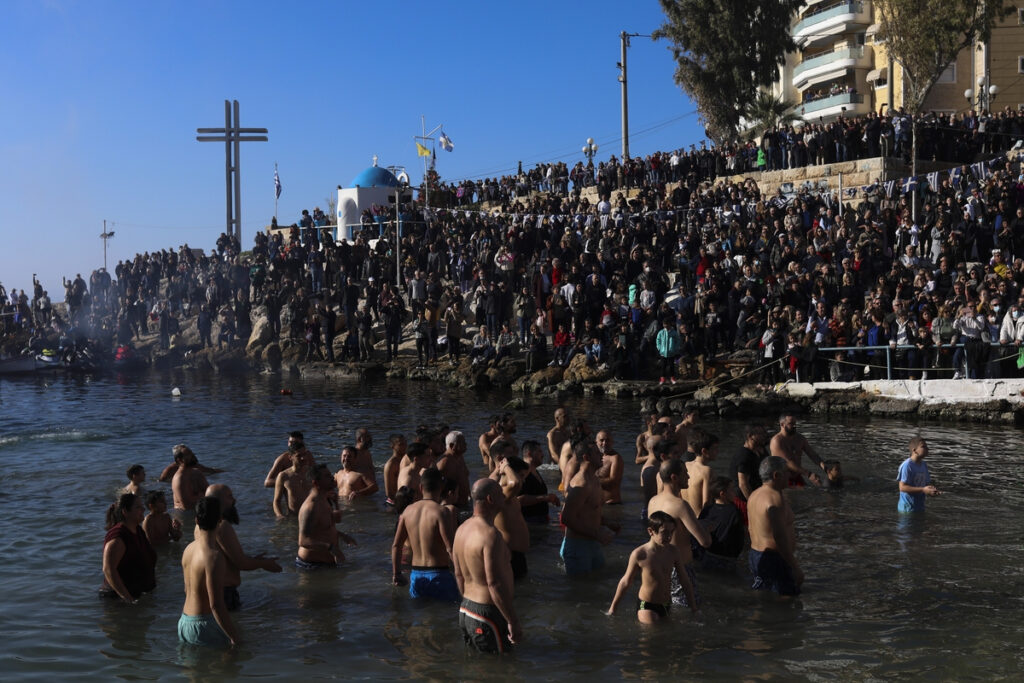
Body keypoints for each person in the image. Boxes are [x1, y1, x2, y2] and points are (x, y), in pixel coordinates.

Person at [453, 479, 521, 654]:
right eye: (501, 493)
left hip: (466, 610)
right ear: (490, 499)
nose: (504, 497)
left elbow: (458, 575)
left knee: (481, 669)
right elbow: (494, 583)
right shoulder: (491, 535)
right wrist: (512, 620)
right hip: (487, 613)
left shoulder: (461, 530)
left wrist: (470, 603)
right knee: (502, 669)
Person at [605, 511, 695, 622]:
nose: (669, 536)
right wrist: (613, 608)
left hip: (666, 604)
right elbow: (626, 581)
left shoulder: (673, 552)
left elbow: (684, 579)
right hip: (647, 606)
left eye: (671, 532)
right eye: (664, 532)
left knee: (665, 637)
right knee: (652, 635)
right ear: (651, 531)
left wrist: (693, 607)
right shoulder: (640, 554)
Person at [206, 484, 282, 611]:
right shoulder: (222, 526)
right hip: (224, 594)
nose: (234, 500)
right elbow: (241, 563)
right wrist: (264, 564)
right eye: (229, 497)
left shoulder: (202, 525)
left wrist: (254, 560)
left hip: (214, 592)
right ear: (217, 502)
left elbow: (226, 558)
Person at [646, 458, 709, 608]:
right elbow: (705, 541)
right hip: (678, 567)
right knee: (686, 610)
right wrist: (707, 528)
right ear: (674, 477)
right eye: (685, 473)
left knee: (664, 606)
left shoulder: (653, 501)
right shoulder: (680, 505)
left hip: (656, 563)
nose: (688, 477)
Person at [178, 496, 239, 648]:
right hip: (204, 625)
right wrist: (235, 638)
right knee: (224, 669)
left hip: (184, 622)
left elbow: (187, 590)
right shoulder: (214, 556)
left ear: (196, 521)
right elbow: (216, 605)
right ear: (220, 520)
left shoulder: (188, 549)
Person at [391, 467, 457, 601]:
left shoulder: (407, 512)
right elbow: (450, 547)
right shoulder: (441, 512)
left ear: (421, 488)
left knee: (421, 619)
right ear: (442, 488)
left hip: (416, 575)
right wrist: (461, 574)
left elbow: (396, 546)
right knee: (445, 616)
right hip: (440, 574)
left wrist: (396, 573)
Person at [560, 439, 618, 576]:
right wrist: (597, 535)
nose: (602, 455)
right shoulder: (581, 485)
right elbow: (566, 518)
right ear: (586, 457)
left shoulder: (594, 480)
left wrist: (607, 523)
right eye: (597, 453)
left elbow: (590, 511)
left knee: (595, 586)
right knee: (580, 592)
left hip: (592, 543)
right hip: (577, 546)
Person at [747, 456, 803, 596]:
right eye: (787, 472)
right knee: (786, 601)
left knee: (766, 597)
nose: (790, 475)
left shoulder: (754, 494)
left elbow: (750, 529)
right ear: (776, 475)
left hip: (756, 555)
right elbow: (779, 536)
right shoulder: (775, 500)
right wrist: (794, 566)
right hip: (775, 559)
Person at [296, 464, 356, 568]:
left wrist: (342, 535)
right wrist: (331, 548)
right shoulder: (310, 507)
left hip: (326, 563)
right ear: (316, 483)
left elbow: (329, 524)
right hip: (311, 566)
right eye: (327, 476)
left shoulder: (324, 499)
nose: (332, 477)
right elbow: (303, 541)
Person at [101, 493, 156, 603]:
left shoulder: (138, 530)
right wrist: (128, 599)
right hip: (119, 600)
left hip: (138, 594)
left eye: (142, 506)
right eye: (138, 507)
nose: (143, 509)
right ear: (125, 512)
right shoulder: (118, 538)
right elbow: (108, 570)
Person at [494, 455, 531, 580]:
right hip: (509, 555)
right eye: (521, 475)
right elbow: (515, 483)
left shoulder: (510, 495)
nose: (523, 481)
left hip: (516, 555)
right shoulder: (501, 493)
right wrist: (506, 467)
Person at [697, 477, 745, 572]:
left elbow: (700, 529)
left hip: (708, 555)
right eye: (731, 489)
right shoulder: (734, 512)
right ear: (722, 494)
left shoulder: (707, 510)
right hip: (727, 557)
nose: (734, 492)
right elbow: (739, 537)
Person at [769, 413, 826, 487]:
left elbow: (812, 455)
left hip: (797, 476)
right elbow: (788, 463)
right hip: (782, 479)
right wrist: (809, 474)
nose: (794, 426)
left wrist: (825, 467)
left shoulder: (800, 438)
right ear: (782, 424)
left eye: (795, 423)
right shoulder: (776, 441)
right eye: (791, 424)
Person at [518, 440, 559, 525]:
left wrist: (550, 498)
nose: (543, 455)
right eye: (539, 451)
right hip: (529, 522)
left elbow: (536, 494)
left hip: (540, 520)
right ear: (529, 454)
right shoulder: (522, 473)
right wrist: (544, 498)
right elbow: (518, 500)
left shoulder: (534, 471)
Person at [897, 437, 940, 512]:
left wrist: (931, 491)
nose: (927, 448)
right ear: (914, 450)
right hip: (907, 508)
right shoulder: (907, 465)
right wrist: (923, 489)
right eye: (923, 446)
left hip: (919, 506)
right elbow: (902, 487)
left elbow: (925, 484)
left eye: (927, 446)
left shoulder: (923, 465)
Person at [730, 424, 769, 503]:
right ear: (750, 436)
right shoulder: (744, 455)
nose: (764, 436)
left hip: (759, 493)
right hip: (743, 499)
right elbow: (743, 484)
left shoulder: (761, 450)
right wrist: (753, 503)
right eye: (761, 434)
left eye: (764, 433)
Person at [273, 443, 314, 518]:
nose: (303, 458)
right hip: (294, 517)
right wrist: (279, 515)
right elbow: (276, 501)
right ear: (290, 457)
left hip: (312, 515)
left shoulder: (312, 473)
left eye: (304, 454)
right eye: (299, 456)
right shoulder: (284, 476)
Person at [684, 430, 718, 515]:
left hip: (686, 519)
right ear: (704, 451)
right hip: (700, 520)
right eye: (715, 448)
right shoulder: (706, 470)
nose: (717, 451)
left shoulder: (685, 465)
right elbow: (706, 502)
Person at [436, 430, 470, 508]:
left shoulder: (460, 456)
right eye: (462, 442)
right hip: (453, 507)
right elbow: (436, 487)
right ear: (451, 446)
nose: (465, 444)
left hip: (465, 503)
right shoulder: (444, 462)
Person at [172, 445, 209, 511]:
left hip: (199, 509)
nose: (193, 455)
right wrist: (202, 495)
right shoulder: (179, 478)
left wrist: (200, 496)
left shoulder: (197, 473)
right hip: (185, 514)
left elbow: (209, 493)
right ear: (180, 460)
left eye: (192, 453)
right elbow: (186, 505)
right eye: (188, 454)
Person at [595, 430, 624, 504]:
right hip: (598, 504)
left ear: (612, 442)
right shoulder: (594, 457)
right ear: (596, 442)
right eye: (601, 440)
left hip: (611, 504)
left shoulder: (615, 458)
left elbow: (613, 481)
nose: (604, 443)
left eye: (607, 440)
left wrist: (591, 481)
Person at [382, 433, 408, 505]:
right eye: (401, 444)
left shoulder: (407, 459)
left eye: (405, 443)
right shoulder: (390, 465)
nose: (405, 446)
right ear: (392, 446)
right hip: (395, 501)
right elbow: (389, 493)